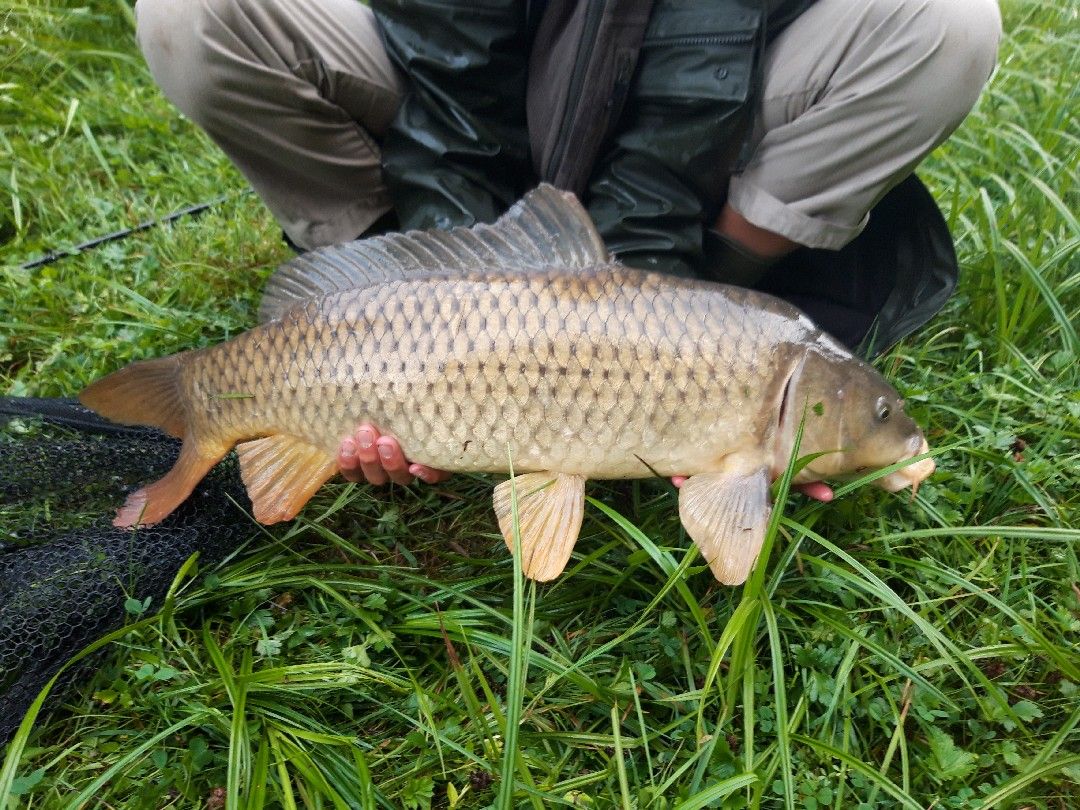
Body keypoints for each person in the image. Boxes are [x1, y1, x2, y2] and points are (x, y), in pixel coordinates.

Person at [132, 0, 1000, 499]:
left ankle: (722, 301)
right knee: (191, 11)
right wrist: (437, 303)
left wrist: (653, 359)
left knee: (950, 20)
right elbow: (450, 84)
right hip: (476, 103)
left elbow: (689, 108)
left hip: (707, 123)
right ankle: (360, 317)